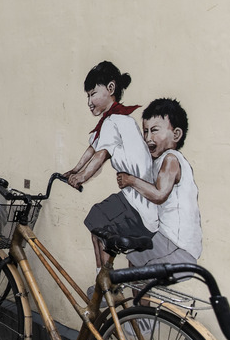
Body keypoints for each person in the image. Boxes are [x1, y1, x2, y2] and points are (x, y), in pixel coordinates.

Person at [64, 61, 158, 273]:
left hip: (140, 206)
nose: (89, 101)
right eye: (87, 96)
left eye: (92, 94)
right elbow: (92, 148)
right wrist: (74, 170)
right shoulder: (114, 120)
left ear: (111, 89)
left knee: (98, 220)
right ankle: (103, 281)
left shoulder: (115, 120)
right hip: (136, 201)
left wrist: (81, 178)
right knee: (97, 221)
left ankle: (105, 284)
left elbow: (100, 155)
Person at [116, 98, 201, 268]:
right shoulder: (159, 161)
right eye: (145, 131)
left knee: (135, 261)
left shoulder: (171, 159)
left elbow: (159, 194)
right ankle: (140, 295)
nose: (148, 138)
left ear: (176, 134)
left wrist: (130, 180)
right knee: (137, 263)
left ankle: (138, 295)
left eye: (154, 130)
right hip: (176, 242)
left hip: (176, 242)